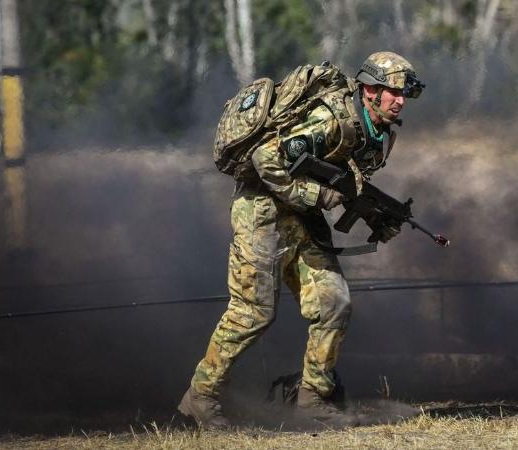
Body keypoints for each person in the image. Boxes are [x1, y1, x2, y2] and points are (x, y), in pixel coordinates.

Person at [178, 51, 424, 429]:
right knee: (252, 312)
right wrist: (317, 197)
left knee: (333, 303)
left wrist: (377, 217)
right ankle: (201, 397)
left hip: (299, 218)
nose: (400, 100)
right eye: (393, 92)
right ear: (370, 90)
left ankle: (313, 397)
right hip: (261, 210)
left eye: (405, 93)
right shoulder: (330, 119)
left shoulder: (377, 136)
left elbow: (347, 183)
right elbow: (265, 158)